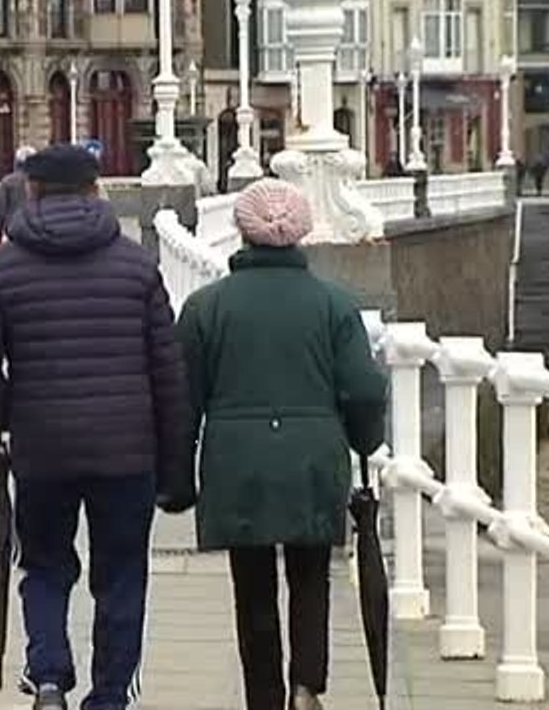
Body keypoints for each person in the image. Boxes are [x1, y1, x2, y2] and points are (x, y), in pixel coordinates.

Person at [0, 145, 189, 710]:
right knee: (122, 572)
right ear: (95, 190)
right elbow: (169, 372)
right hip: (126, 451)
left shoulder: (2, 268)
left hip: (43, 449)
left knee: (44, 564)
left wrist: (12, 412)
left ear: (29, 191)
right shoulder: (135, 266)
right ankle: (109, 695)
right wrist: (177, 466)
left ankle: (50, 674)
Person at [166, 179, 387, 710]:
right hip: (313, 459)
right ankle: (307, 683)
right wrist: (364, 440)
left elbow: (182, 403)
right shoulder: (334, 305)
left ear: (241, 233)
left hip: (236, 462)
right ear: (301, 234)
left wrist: (176, 482)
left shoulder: (204, 307)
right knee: (312, 577)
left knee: (253, 587)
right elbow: (363, 388)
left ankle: (263, 696)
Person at [0, 145, 36, 248]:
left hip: (14, 230)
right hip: (37, 230)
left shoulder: (8, 182)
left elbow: (0, 211)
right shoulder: (41, 181)